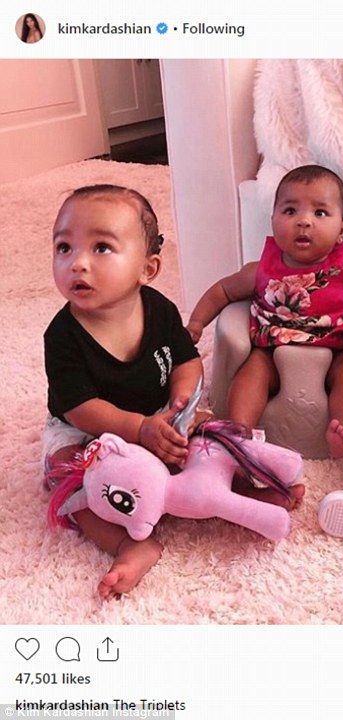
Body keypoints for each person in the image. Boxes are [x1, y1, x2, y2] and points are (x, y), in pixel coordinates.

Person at [44, 184, 203, 600]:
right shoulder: (62, 335)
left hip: (157, 411)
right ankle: (129, 543)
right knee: (65, 477)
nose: (77, 263)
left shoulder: (160, 309)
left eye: (101, 248)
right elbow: (80, 409)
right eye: (64, 247)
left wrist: (180, 403)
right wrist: (138, 429)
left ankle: (242, 485)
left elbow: (187, 361)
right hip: (87, 429)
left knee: (207, 440)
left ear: (147, 269)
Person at [187, 164, 343, 459]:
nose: (304, 222)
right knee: (251, 372)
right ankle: (239, 432)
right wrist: (196, 322)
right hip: (271, 349)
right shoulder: (260, 270)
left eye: (320, 213)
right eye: (290, 211)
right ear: (273, 220)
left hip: (339, 350)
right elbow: (223, 291)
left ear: (342, 229)